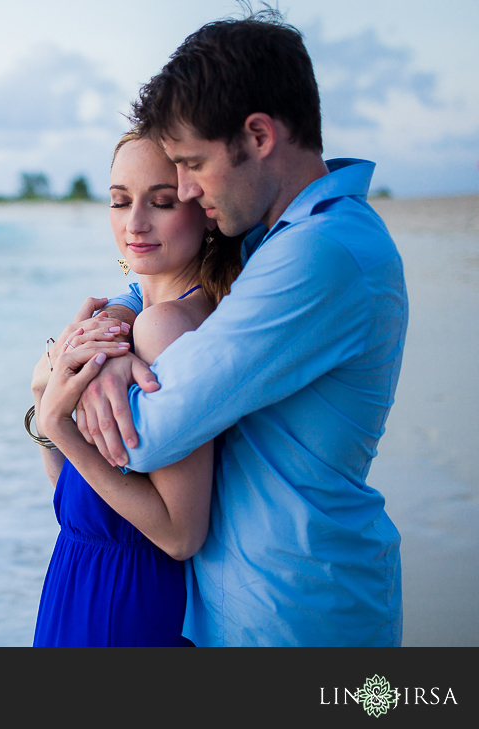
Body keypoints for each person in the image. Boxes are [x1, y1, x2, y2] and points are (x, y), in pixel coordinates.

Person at [77, 10, 409, 646]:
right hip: (252, 603)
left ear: (258, 136)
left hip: (300, 613)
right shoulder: (271, 236)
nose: (189, 191)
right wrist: (121, 318)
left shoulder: (319, 254)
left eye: (194, 164)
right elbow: (179, 278)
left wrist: (64, 393)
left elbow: (146, 433)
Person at [26, 131, 242, 646]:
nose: (135, 223)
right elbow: (71, 494)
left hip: (123, 609)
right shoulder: (131, 317)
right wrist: (47, 392)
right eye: (120, 200)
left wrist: (58, 421)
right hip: (78, 580)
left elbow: (179, 534)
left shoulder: (166, 327)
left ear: (204, 209)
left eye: (162, 202)